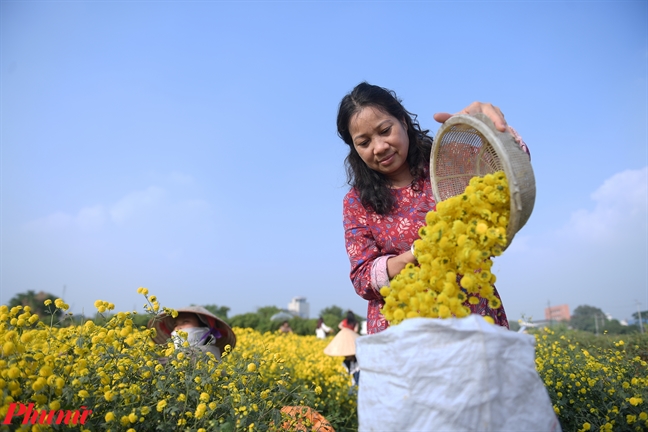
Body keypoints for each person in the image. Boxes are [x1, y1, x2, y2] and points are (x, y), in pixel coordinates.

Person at [337, 82, 530, 335]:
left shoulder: (446, 162)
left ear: (404, 122)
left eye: (385, 130)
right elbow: (363, 279)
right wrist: (416, 253)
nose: (380, 147)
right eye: (364, 142)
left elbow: (511, 175)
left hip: (473, 316)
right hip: (403, 330)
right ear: (355, 149)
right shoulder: (357, 201)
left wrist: (490, 129)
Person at [148, 305, 236, 360]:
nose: (179, 327)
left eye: (186, 321)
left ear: (204, 329)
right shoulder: (176, 357)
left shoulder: (208, 355)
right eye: (176, 324)